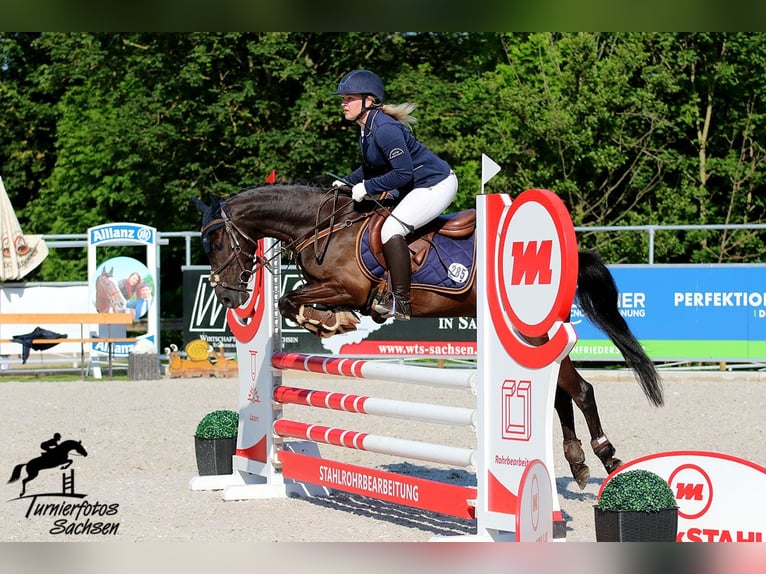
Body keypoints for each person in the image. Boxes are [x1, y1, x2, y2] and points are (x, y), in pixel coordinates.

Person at [332, 69, 458, 320]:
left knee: (391, 230)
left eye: (349, 98)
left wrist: (367, 187)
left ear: (369, 100)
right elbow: (370, 167)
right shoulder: (366, 129)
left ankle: (401, 302)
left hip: (436, 184)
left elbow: (403, 173)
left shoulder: (384, 129)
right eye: (343, 99)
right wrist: (345, 182)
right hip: (414, 186)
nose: (343, 103)